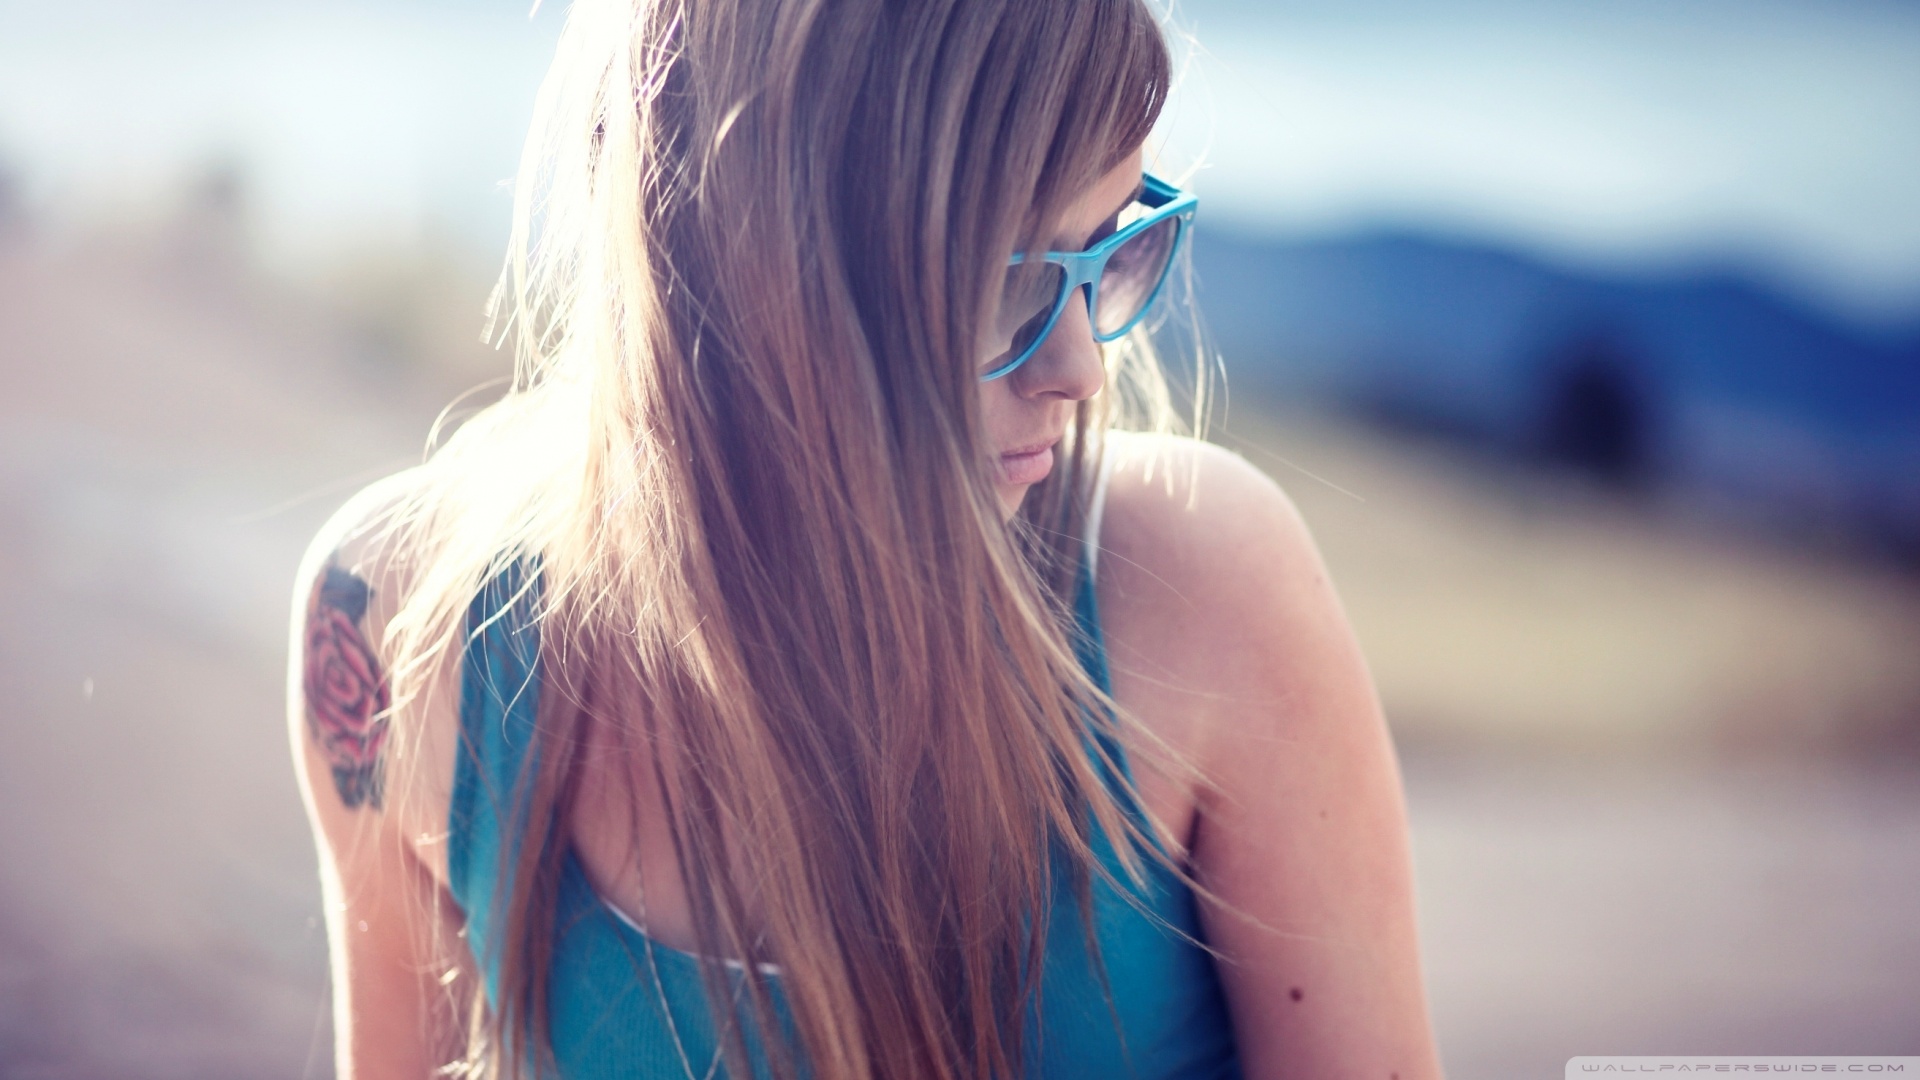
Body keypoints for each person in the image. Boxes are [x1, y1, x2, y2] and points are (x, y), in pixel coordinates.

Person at [288, 0, 1444, 1077]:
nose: (1083, 372)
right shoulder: (399, 622)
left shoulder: (1198, 589)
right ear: (759, 263)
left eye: (1113, 247)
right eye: (1005, 279)